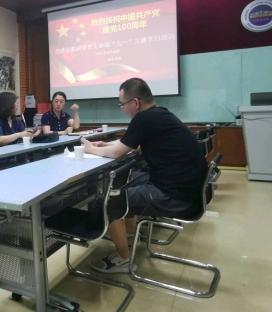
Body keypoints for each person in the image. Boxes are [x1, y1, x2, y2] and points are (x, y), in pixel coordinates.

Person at [79, 78, 207, 273]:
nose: (122, 108)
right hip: (186, 188)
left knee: (108, 201)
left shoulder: (143, 118)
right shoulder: (159, 114)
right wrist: (106, 145)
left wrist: (91, 149)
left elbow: (117, 153)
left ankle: (123, 260)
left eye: (122, 104)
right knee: (125, 181)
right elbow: (135, 145)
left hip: (175, 196)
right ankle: (131, 235)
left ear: (136, 102)